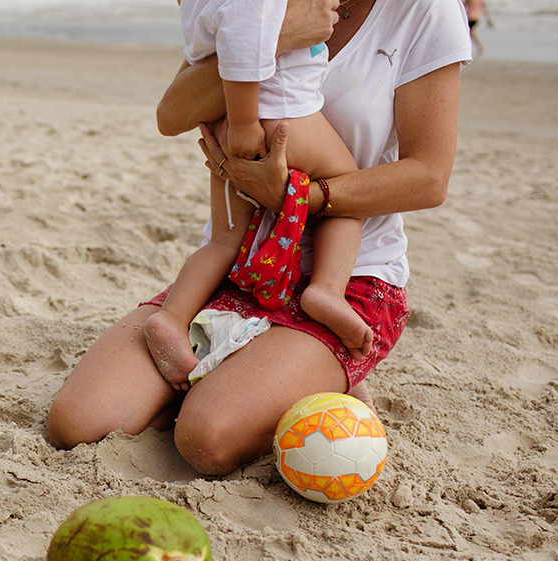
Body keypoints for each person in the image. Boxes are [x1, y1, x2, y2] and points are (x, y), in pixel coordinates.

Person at [46, 0, 471, 476]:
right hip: (239, 267)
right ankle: (266, 375)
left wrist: (299, 197)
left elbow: (429, 178)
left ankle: (294, 372)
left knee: (205, 439)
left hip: (349, 277)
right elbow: (173, 115)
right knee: (77, 425)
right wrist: (271, 38)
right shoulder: (259, 3)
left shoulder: (424, 11)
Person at [145, 0, 369, 392]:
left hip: (224, 121)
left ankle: (172, 317)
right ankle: (327, 289)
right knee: (346, 184)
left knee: (222, 240)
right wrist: (247, 125)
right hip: (281, 113)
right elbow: (243, 37)